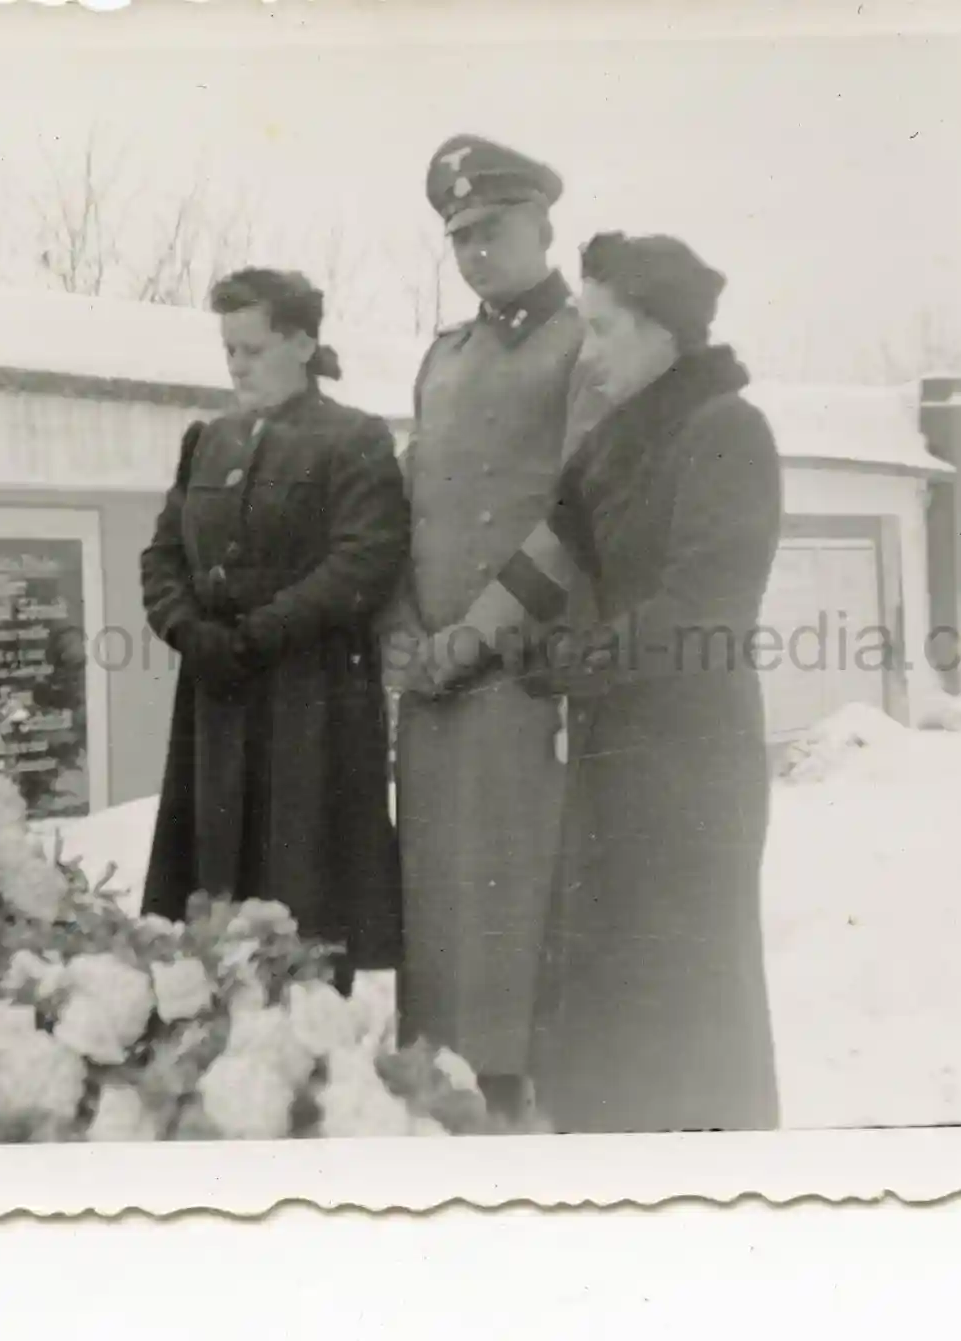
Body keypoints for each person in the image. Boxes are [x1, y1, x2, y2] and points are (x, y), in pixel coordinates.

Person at [444, 231, 783, 1133]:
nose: (586, 354)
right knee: (608, 980)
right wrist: (474, 642)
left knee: (691, 985)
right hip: (612, 750)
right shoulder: (614, 442)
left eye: (602, 329)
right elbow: (550, 554)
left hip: (692, 762)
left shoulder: (728, 431)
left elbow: (703, 610)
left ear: (661, 331)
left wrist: (571, 663)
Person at [380, 135, 589, 1118]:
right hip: (429, 680)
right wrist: (399, 631)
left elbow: (575, 518)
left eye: (490, 230)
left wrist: (473, 637)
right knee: (438, 883)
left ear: (541, 227)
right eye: (457, 236)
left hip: (520, 670)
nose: (472, 251)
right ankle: (438, 1076)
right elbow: (412, 503)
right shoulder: (443, 357)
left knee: (519, 877)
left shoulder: (585, 344)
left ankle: (521, 1095)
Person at [140, 268, 409, 986]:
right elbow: (162, 552)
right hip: (214, 700)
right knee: (210, 898)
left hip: (308, 704)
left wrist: (259, 633)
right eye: (228, 348)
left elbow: (364, 559)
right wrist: (184, 629)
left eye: (252, 349)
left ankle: (304, 1063)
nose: (235, 365)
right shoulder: (208, 439)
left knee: (303, 895)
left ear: (301, 342)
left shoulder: (352, 438)